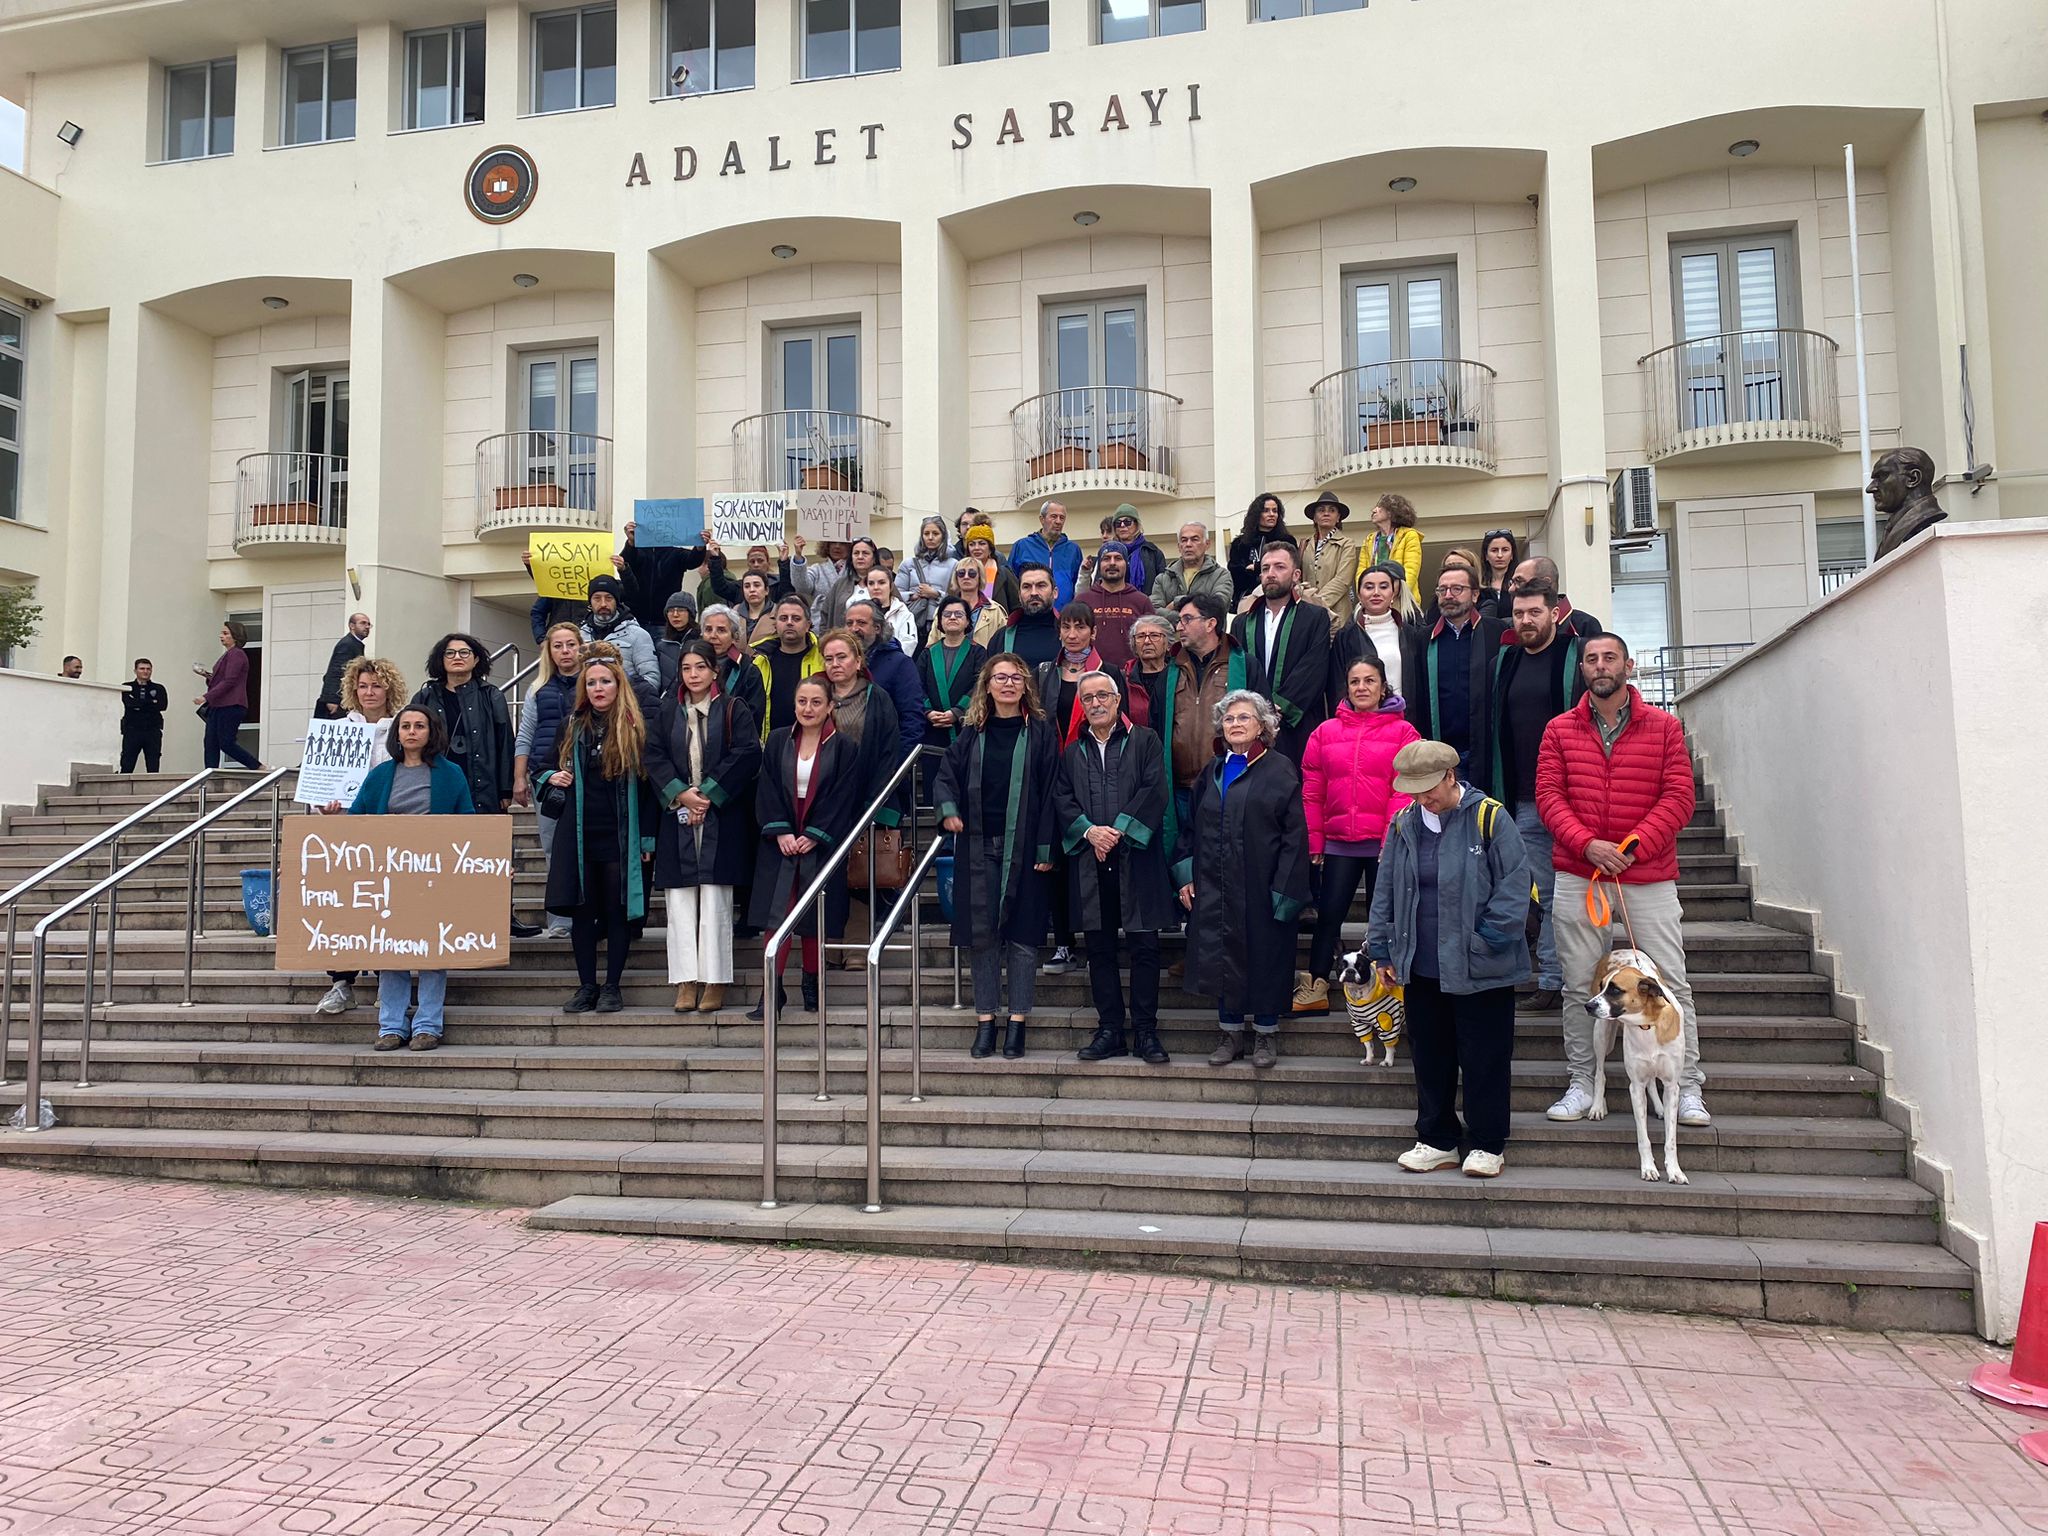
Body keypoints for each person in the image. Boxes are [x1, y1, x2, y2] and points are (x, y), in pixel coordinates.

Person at [1536, 632, 1709, 1127]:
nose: (1599, 665)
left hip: (1646, 875)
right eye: (1591, 659)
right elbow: (1548, 795)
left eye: (1609, 657)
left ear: (1628, 666)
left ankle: (1688, 1085)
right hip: (1579, 873)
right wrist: (1588, 845)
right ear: (1583, 670)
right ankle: (1583, 1082)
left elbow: (1678, 797)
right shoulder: (1558, 730)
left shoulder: (1665, 728)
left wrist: (1630, 847)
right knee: (1577, 985)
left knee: (1670, 982)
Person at [1368, 740, 1533, 1179]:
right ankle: (1437, 1137)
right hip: (1421, 964)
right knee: (1430, 1055)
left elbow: (1515, 884)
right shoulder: (1403, 824)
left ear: (1450, 776)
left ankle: (1487, 1142)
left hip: (1482, 965)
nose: (1424, 798)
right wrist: (1382, 947)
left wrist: (1489, 938)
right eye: (1415, 790)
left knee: (1485, 1056)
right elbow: (1385, 889)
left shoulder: (1490, 817)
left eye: (1430, 788)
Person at [933, 653, 1061, 1060]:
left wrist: (1046, 846)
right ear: (986, 685)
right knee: (983, 939)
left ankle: (1017, 1025)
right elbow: (946, 777)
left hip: (1025, 849)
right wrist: (949, 811)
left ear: (1025, 685)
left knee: (1022, 940)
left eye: (1016, 677)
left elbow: (1052, 792)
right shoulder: (973, 731)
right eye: (1000, 677)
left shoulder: (1040, 730)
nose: (1008, 683)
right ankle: (986, 1022)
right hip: (978, 848)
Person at [1177, 690, 1312, 1069]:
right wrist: (1186, 873)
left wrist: (1285, 888)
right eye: (1229, 719)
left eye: (1244, 718)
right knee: (1222, 956)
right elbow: (1191, 827)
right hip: (1216, 883)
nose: (1235, 724)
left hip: (1262, 883)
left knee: (1267, 957)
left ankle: (1266, 1034)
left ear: (1262, 727)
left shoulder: (1279, 768)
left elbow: (1294, 835)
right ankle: (1230, 1032)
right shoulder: (1213, 770)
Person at [1054, 672, 1175, 1067]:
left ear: (1118, 699)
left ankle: (1145, 1031)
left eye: (1102, 695)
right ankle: (1109, 1030)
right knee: (1100, 947)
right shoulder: (1073, 751)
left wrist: (1118, 831)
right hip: (1092, 859)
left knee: (1144, 946)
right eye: (1087, 698)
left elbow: (1154, 788)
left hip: (1135, 857)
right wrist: (1090, 832)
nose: (1095, 703)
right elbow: (1063, 798)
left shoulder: (1144, 741)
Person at [1293, 655, 1421, 1014]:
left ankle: (1397, 989)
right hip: (1339, 843)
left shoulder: (1404, 732)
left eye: (1369, 681)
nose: (1362, 688)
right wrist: (1315, 840)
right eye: (1355, 682)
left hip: (1385, 844)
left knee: (1390, 918)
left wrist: (1390, 838)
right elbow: (1313, 790)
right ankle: (1318, 984)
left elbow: (1405, 788)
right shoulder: (1325, 732)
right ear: (1346, 688)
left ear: (1383, 687)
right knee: (1329, 914)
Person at [345, 704, 477, 1052]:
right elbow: (356, 819)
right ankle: (391, 1026)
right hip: (389, 876)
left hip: (435, 876)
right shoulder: (380, 775)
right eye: (405, 726)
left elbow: (469, 824)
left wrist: (490, 862)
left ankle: (428, 1026)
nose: (412, 731)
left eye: (420, 725)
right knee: (391, 951)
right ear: (397, 733)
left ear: (431, 732)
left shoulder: (451, 774)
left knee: (433, 951)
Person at [539, 645, 658, 1015]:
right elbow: (542, 768)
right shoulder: (572, 724)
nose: (598, 688)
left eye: (605, 681)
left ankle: (612, 986)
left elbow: (651, 788)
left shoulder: (636, 728)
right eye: (591, 683)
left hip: (621, 834)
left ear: (618, 684)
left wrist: (647, 839)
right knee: (582, 911)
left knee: (617, 910)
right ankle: (586, 985)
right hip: (578, 834)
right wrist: (551, 776)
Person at [647, 640, 762, 1015]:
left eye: (700, 667)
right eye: (686, 668)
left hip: (720, 816)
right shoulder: (667, 711)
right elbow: (655, 755)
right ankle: (685, 980)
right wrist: (681, 794)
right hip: (678, 812)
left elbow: (746, 753)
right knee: (679, 902)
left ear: (715, 671)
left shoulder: (733, 708)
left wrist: (708, 794)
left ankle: (715, 979)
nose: (693, 675)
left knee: (715, 899)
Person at [1489, 581, 1588, 1013]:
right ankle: (1550, 977)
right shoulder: (1503, 662)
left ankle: (1565, 978)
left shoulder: (1576, 657)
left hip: (1573, 797)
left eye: (1534, 612)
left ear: (1554, 613)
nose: (1525, 620)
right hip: (1523, 797)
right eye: (1519, 613)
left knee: (1568, 895)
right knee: (1542, 895)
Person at [749, 675, 863, 1019]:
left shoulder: (844, 747)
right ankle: (772, 991)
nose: (808, 708)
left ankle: (812, 985)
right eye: (802, 701)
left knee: (816, 914)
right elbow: (767, 788)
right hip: (781, 842)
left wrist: (815, 833)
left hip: (821, 841)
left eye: (816, 702)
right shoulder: (779, 741)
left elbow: (844, 796)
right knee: (777, 914)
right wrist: (782, 832)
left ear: (830, 706)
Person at [313, 654, 409, 1016]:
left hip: (389, 831)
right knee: (344, 908)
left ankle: (389, 982)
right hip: (345, 832)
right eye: (363, 686)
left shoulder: (403, 728)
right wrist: (324, 806)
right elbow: (320, 785)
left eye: (377, 685)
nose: (369, 692)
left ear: (389, 689)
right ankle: (341, 983)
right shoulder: (337, 728)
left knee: (386, 905)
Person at [512, 622, 585, 940]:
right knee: (554, 849)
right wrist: (519, 777)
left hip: (588, 777)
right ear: (549, 651)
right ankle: (560, 918)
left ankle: (588, 914)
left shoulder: (593, 682)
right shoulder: (537, 688)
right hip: (548, 779)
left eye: (571, 644)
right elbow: (525, 734)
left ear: (581, 647)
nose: (565, 651)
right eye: (558, 645)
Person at [1405, 562, 1505, 791]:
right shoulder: (1424, 639)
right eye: (1443, 590)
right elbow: (1418, 694)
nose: (1448, 595)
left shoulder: (1496, 632)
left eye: (1457, 589)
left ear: (1475, 594)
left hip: (1487, 748)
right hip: (1442, 749)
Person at [1228, 542, 1330, 764]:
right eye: (1265, 569)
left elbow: (1313, 668)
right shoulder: (1241, 623)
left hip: (1298, 723)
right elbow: (1238, 669)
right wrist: (1257, 710)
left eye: (1279, 567)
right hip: (1251, 726)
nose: (1270, 574)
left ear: (1296, 575)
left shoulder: (1315, 617)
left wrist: (1278, 706)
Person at [412, 632, 514, 815]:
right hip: (435, 780)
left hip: (483, 784)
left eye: (464, 653)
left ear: (475, 660)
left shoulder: (491, 696)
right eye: (450, 653)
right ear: (440, 660)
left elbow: (504, 743)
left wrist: (505, 789)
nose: (457, 657)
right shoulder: (426, 696)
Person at [1165, 591, 1237, 845]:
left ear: (1210, 624)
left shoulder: (1242, 665)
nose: (1178, 627)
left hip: (1227, 786)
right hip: (1180, 788)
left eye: (1187, 619)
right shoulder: (1171, 669)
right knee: (1184, 859)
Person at [914, 595, 986, 801]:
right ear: (940, 621)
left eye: (958, 614)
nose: (952, 617)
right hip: (934, 727)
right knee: (934, 781)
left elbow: (980, 685)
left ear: (967, 622)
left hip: (966, 727)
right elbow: (918, 687)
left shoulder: (978, 652)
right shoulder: (927, 654)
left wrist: (957, 712)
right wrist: (928, 712)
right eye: (947, 614)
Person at [1328, 562, 1420, 713]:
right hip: (1360, 722)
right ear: (1359, 594)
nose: (1376, 593)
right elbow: (1337, 687)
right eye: (1369, 587)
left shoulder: (1410, 634)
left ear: (1393, 593)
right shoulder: (1345, 637)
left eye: (1383, 587)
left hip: (1403, 720)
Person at [750, 594, 824, 736]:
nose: (789, 623)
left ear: (808, 624)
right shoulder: (759, 662)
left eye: (796, 618)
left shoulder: (823, 658)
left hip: (814, 743)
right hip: (770, 744)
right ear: (775, 624)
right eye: (783, 618)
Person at [1074, 541, 1154, 671]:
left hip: (1131, 676)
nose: (1112, 563)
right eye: (1106, 558)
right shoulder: (1082, 601)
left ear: (1126, 564)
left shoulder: (1141, 601)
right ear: (1099, 565)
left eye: (1118, 558)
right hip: (1091, 675)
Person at [579, 574, 660, 699]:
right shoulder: (579, 636)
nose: (603, 604)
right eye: (597, 598)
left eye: (609, 598)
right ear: (590, 602)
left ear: (617, 601)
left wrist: (621, 697)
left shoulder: (638, 635)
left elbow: (651, 679)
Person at [195, 620, 262, 770]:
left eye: (225, 633)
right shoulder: (227, 655)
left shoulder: (237, 654)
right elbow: (223, 680)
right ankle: (210, 772)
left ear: (235, 636)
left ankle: (257, 766)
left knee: (226, 742)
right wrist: (208, 676)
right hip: (219, 705)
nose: (221, 636)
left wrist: (206, 697)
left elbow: (230, 681)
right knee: (210, 741)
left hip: (231, 704)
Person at [696, 604, 768, 725]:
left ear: (735, 637)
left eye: (721, 630)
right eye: (708, 629)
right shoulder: (690, 665)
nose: (713, 636)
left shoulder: (749, 671)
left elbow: (753, 718)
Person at [1505, 556, 1603, 642]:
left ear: (1546, 582)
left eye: (1519, 581)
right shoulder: (1508, 626)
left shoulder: (1584, 625)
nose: (1511, 589)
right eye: (1511, 582)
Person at [1299, 492, 1361, 628]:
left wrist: (1317, 603)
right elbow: (1299, 578)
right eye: (1321, 510)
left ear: (1338, 517)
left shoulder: (1347, 544)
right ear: (1314, 517)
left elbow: (1343, 580)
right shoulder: (1305, 544)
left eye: (1331, 510)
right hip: (1309, 614)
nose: (1326, 513)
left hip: (1337, 615)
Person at [1009, 499, 1084, 607]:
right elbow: (1012, 584)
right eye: (1053, 516)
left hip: (1064, 616)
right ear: (1042, 519)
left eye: (1062, 518)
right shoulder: (1022, 546)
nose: (1058, 521)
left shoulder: (1073, 550)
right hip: (1031, 614)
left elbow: (1078, 585)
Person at [896, 515, 960, 638]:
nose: (930, 537)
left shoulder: (954, 565)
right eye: (926, 533)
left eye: (935, 533)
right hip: (913, 621)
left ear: (943, 536)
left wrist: (936, 594)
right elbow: (896, 595)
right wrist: (912, 595)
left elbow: (958, 598)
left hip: (941, 623)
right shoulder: (908, 564)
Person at [1149, 520, 1232, 610]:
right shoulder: (1163, 579)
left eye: (1194, 539)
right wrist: (1186, 619)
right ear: (1179, 546)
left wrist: (1177, 602)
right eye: (1184, 540)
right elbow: (1154, 612)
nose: (1188, 544)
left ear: (1207, 544)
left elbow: (1217, 607)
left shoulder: (1220, 576)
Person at [1228, 492, 1292, 605]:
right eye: (1266, 510)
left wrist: (1257, 567)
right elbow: (1236, 575)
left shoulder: (1287, 541)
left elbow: (1289, 570)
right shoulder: (1240, 544)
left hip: (1280, 599)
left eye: (1275, 511)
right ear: (1257, 514)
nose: (1271, 514)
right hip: (1247, 600)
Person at [992, 563, 1060, 668]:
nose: (1033, 593)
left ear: (1055, 592)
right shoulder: (1001, 638)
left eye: (1041, 585)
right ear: (1019, 595)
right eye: (1026, 587)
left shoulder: (1070, 636)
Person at [1122, 615, 1176, 735]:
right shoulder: (1124, 679)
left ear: (1168, 644)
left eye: (1154, 636)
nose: (1147, 641)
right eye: (1140, 636)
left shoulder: (1178, 677)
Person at [1362, 493, 1423, 593]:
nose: (1373, 511)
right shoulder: (1369, 540)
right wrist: (1365, 593)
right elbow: (1361, 572)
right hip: (1374, 600)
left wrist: (1394, 595)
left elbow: (1411, 571)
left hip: (1402, 601)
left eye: (1379, 507)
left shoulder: (1409, 535)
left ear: (1391, 512)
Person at [315, 613, 371, 718]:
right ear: (352, 626)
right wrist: (332, 699)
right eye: (363, 623)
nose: (367, 627)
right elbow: (335, 672)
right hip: (338, 701)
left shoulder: (353, 643)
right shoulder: (347, 644)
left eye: (369, 624)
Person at [118, 659, 168, 773]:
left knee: (153, 763)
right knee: (127, 762)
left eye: (148, 669)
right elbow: (129, 703)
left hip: (152, 730)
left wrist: (139, 704)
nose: (145, 671)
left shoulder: (159, 688)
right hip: (132, 730)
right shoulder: (127, 687)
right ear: (135, 670)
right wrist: (151, 702)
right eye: (142, 669)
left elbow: (162, 705)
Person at [790, 535, 851, 627]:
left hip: (849, 624)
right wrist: (798, 556)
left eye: (842, 543)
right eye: (833, 542)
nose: (837, 546)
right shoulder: (817, 569)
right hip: (822, 625)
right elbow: (802, 587)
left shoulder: (855, 571)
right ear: (827, 546)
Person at [1103, 506, 1167, 595]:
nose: (1122, 526)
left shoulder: (1152, 551)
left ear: (1136, 524)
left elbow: (1163, 584)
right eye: (1118, 523)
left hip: (1146, 604)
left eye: (1127, 522)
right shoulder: (1108, 552)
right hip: (1116, 604)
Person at [945, 557, 1007, 647]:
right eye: (961, 573)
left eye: (972, 573)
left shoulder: (996, 610)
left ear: (980, 576)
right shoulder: (943, 609)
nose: (966, 577)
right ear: (956, 577)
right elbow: (932, 645)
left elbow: (1004, 645)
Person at [963, 523, 1022, 611]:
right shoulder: (961, 574)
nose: (976, 548)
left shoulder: (1004, 574)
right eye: (972, 544)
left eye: (982, 543)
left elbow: (1017, 606)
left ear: (990, 548)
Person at [861, 566, 919, 653]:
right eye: (871, 583)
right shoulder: (859, 612)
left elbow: (908, 645)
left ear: (891, 586)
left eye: (881, 582)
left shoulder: (904, 614)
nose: (876, 587)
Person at [653, 590, 699, 696]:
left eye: (681, 610)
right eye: (670, 610)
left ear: (691, 614)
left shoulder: (701, 641)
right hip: (668, 702)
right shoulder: (661, 645)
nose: (675, 614)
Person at [1479, 529, 1520, 618]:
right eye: (1494, 550)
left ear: (1512, 554)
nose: (1500, 555)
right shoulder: (1478, 584)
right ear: (1486, 556)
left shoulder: (1521, 584)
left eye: (1505, 550)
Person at [735, 570, 779, 645]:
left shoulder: (778, 612)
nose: (752, 590)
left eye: (757, 585)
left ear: (766, 590)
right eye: (747, 586)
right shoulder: (734, 613)